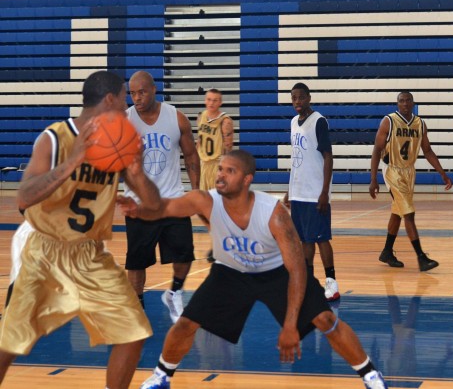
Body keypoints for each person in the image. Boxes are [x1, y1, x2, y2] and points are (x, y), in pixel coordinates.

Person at [118, 150, 389, 389]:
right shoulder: (206, 200)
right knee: (186, 323)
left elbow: (297, 270)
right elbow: (165, 207)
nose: (221, 175)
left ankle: (370, 375)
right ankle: (161, 375)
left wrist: (290, 325)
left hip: (276, 273)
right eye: (220, 169)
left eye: (230, 171)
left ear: (247, 179)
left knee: (326, 320)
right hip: (230, 273)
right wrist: (139, 211)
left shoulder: (274, 213)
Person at [0, 70, 162, 389]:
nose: (128, 106)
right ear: (110, 99)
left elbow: (154, 205)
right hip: (45, 249)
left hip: (90, 254)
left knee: (134, 333)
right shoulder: (55, 137)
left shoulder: (119, 140)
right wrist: (71, 163)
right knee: (11, 340)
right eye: (124, 98)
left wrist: (138, 173)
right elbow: (24, 197)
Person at [124, 70, 200, 323]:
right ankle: (138, 310)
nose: (137, 98)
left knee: (185, 256)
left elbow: (191, 156)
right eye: (132, 93)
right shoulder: (124, 122)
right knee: (136, 263)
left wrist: (196, 192)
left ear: (154, 90)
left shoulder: (175, 117)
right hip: (139, 204)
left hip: (172, 200)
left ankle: (174, 292)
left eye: (142, 92)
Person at [369, 91, 453, 272]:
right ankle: (421, 258)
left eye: (408, 100)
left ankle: (386, 252)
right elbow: (377, 149)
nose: (405, 103)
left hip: (409, 172)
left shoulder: (420, 124)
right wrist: (373, 178)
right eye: (401, 101)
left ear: (413, 103)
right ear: (397, 104)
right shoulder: (389, 121)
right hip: (391, 169)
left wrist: (442, 174)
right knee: (408, 213)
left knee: (398, 212)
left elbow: (428, 150)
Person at [283, 82, 339, 301]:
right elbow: (296, 160)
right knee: (304, 240)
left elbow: (328, 156)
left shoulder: (319, 121)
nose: (297, 102)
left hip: (316, 192)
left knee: (321, 238)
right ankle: (308, 281)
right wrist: (290, 190)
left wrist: (325, 191)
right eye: (293, 98)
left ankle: (331, 283)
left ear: (308, 98)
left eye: (300, 97)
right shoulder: (293, 123)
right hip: (298, 192)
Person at [195, 88, 234, 263]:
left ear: (220, 102)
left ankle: (221, 245)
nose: (211, 103)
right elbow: (200, 141)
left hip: (217, 166)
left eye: (215, 100)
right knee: (201, 209)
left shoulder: (225, 121)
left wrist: (225, 173)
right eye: (209, 99)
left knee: (217, 210)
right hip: (204, 166)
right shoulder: (201, 116)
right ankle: (221, 238)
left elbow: (228, 148)